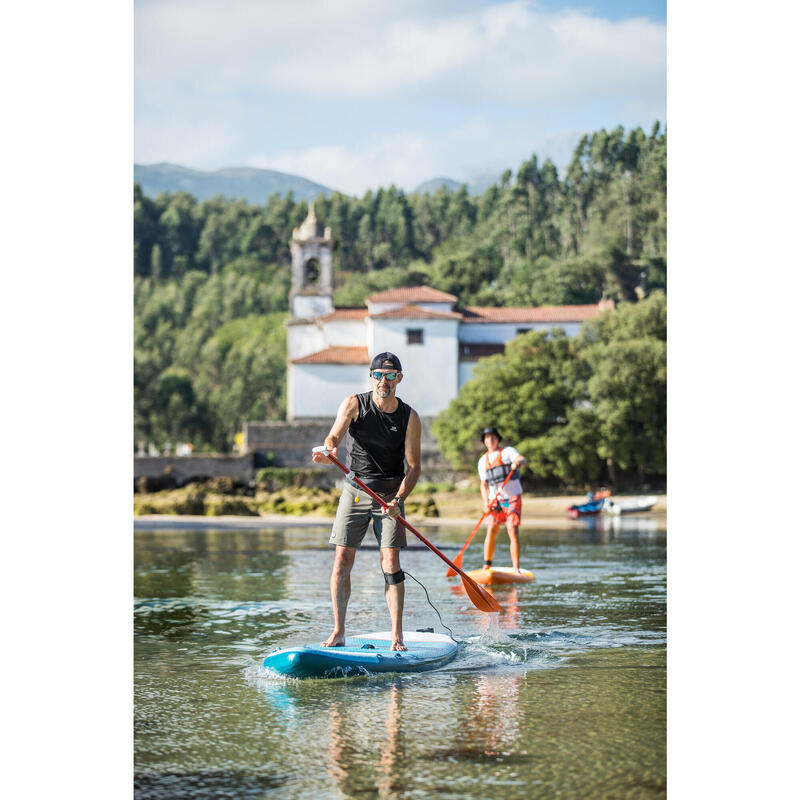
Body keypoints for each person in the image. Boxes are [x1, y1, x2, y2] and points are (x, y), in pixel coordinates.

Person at [311, 351, 422, 651]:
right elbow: (334, 436)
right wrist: (329, 449)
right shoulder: (353, 404)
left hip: (390, 495)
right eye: (377, 375)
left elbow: (413, 467)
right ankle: (339, 632)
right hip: (355, 489)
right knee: (341, 561)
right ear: (371, 377)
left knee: (390, 562)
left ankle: (396, 636)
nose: (382, 381)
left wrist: (399, 499)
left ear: (398, 378)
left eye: (389, 376)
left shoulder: (409, 417)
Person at [477, 426, 527, 572]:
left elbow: (522, 459)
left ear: (498, 439)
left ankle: (516, 568)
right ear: (484, 441)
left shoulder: (507, 452)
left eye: (493, 437)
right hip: (495, 501)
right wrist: (486, 504)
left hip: (512, 498)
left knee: (512, 529)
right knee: (491, 529)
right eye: (487, 438)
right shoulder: (482, 461)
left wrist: (517, 462)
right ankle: (487, 565)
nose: (490, 440)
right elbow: (484, 485)